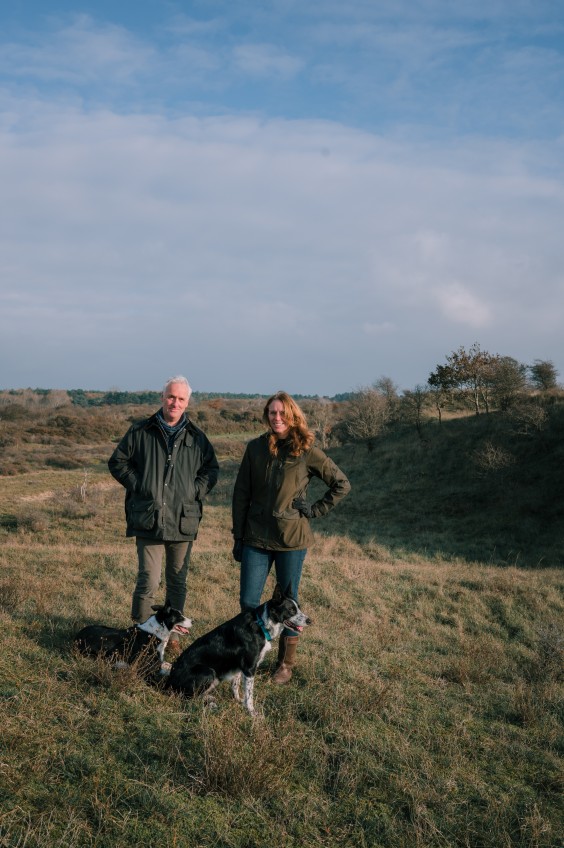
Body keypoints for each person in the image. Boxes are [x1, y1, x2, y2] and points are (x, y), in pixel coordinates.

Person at [232, 391, 351, 684]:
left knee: (290, 604)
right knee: (248, 602)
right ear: (267, 415)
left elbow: (341, 484)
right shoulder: (255, 448)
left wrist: (314, 509)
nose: (277, 418)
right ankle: (250, 656)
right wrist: (238, 536)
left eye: (282, 413)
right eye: (272, 413)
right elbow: (241, 494)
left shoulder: (307, 451)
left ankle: (285, 665)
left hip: (292, 540)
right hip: (256, 538)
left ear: (293, 416)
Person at [108, 375, 218, 654]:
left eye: (181, 399)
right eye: (171, 396)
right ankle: (141, 637)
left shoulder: (197, 437)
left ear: (187, 402)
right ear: (162, 397)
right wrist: (141, 486)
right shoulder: (140, 431)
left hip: (183, 519)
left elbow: (211, 470)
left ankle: (172, 638)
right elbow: (117, 462)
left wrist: (193, 491)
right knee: (149, 579)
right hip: (149, 518)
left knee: (177, 581)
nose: (174, 403)